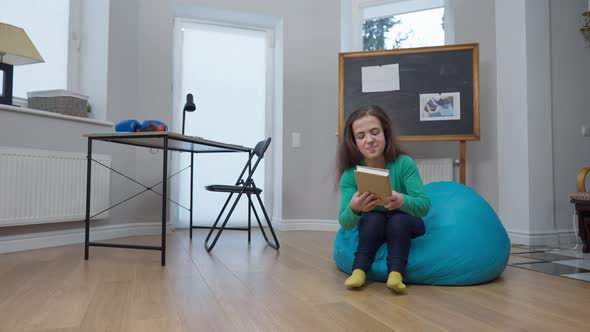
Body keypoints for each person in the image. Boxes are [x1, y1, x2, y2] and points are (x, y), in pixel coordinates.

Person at [337, 105, 431, 292]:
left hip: (406, 219)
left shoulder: (404, 163)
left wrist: (403, 200)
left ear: (385, 134)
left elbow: (424, 206)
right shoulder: (350, 175)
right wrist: (355, 208)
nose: (369, 140)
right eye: (361, 136)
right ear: (354, 142)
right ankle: (358, 271)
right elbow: (346, 223)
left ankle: (395, 274)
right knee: (372, 219)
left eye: (375, 132)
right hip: (375, 222)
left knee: (398, 220)